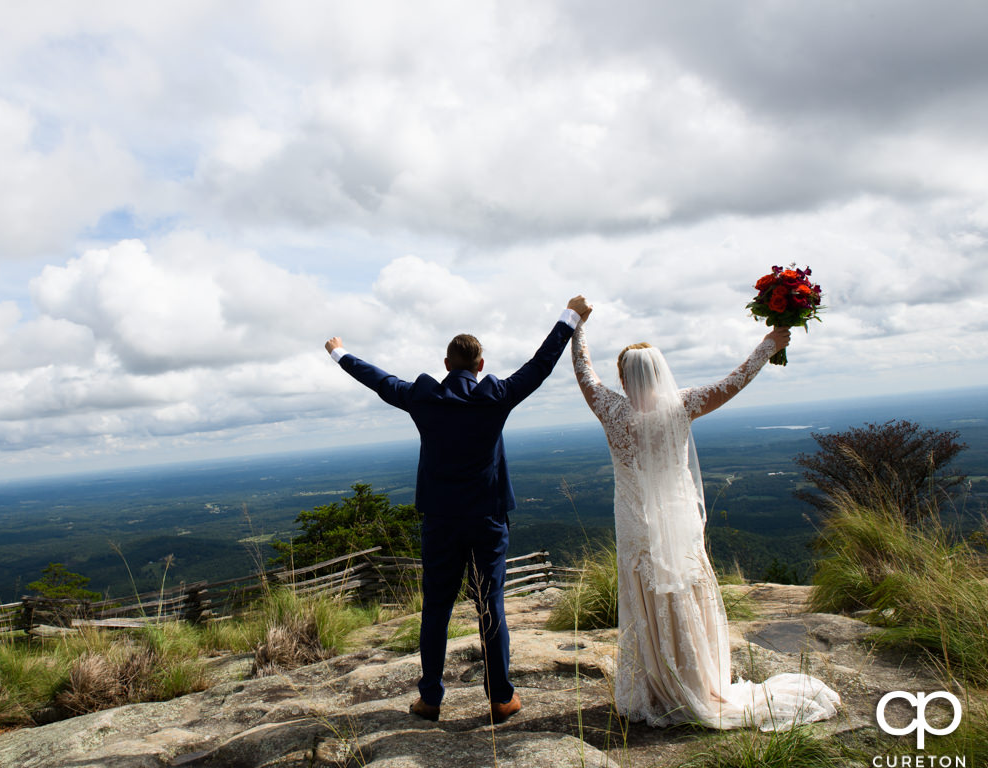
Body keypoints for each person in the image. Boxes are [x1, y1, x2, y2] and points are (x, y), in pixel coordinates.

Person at [326, 295, 591, 724]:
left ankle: (430, 699)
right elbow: (540, 365)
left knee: (436, 609)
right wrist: (571, 317)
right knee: (491, 605)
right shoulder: (496, 397)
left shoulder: (423, 399)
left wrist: (339, 352)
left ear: (446, 364)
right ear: (480, 365)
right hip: (487, 519)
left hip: (441, 520)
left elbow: (378, 379)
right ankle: (500, 698)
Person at [570, 312, 840, 730]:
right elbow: (736, 380)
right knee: (685, 593)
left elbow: (583, 372)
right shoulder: (683, 406)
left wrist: (578, 323)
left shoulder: (609, 410)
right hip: (677, 525)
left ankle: (655, 687)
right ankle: (697, 679)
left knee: (643, 597)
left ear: (624, 379)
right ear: (661, 375)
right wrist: (770, 345)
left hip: (634, 526)